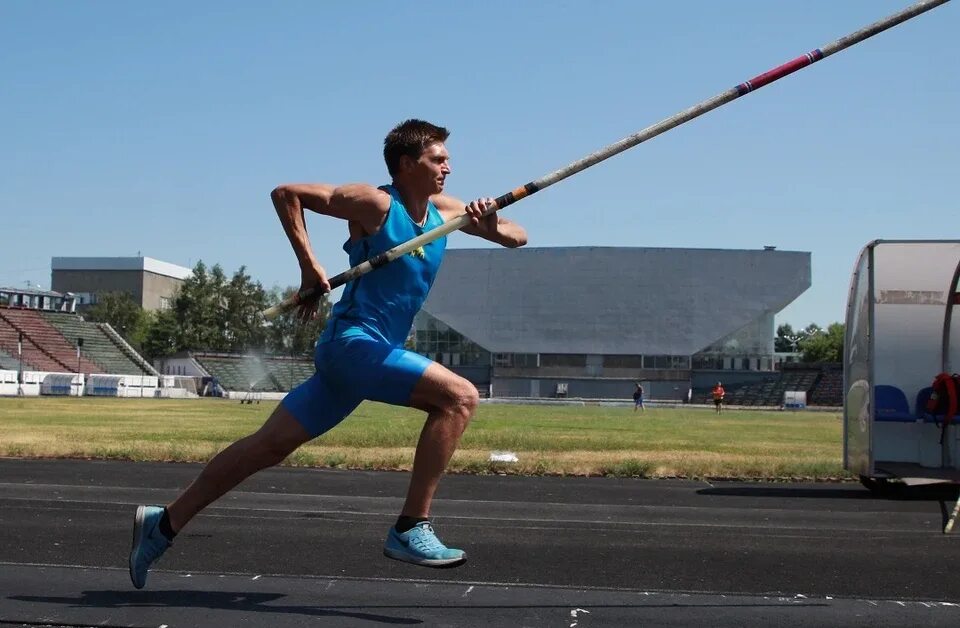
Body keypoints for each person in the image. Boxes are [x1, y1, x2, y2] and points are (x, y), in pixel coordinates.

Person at [128, 119, 528, 589]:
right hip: (353, 344)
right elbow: (287, 194)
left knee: (266, 447)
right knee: (459, 398)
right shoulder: (376, 204)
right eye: (437, 159)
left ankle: (164, 523)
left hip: (368, 355)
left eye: (447, 159)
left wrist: (491, 224)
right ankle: (410, 526)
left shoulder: (446, 210)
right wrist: (309, 265)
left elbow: (519, 235)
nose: (448, 167)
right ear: (406, 164)